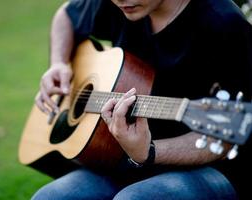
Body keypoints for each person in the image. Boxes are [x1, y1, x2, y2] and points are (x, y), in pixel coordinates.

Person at [32, 0, 252, 199]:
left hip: (211, 168)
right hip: (121, 159)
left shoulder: (222, 23)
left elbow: (223, 140)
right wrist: (58, 63)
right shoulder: (119, 3)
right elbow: (66, 15)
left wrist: (148, 152)